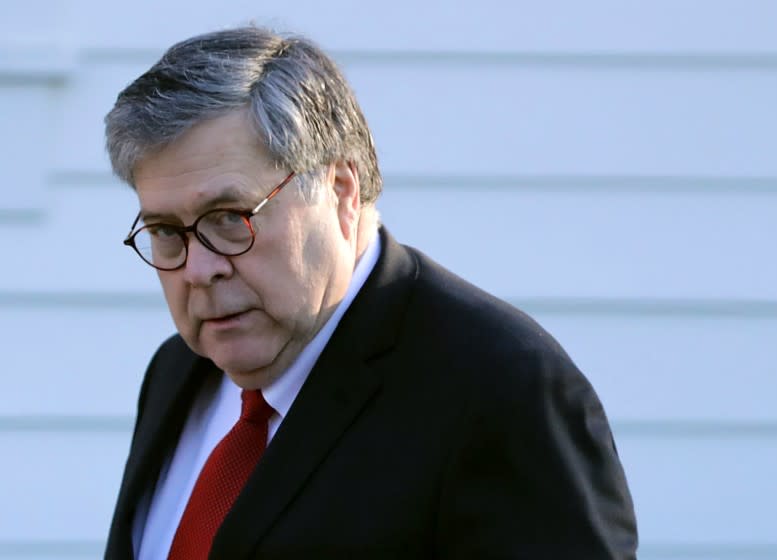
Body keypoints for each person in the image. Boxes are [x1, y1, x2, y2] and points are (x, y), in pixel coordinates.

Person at [103, 26, 637, 559]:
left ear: (341, 191)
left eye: (228, 218)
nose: (198, 269)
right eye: (167, 232)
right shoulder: (179, 371)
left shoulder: (505, 390)